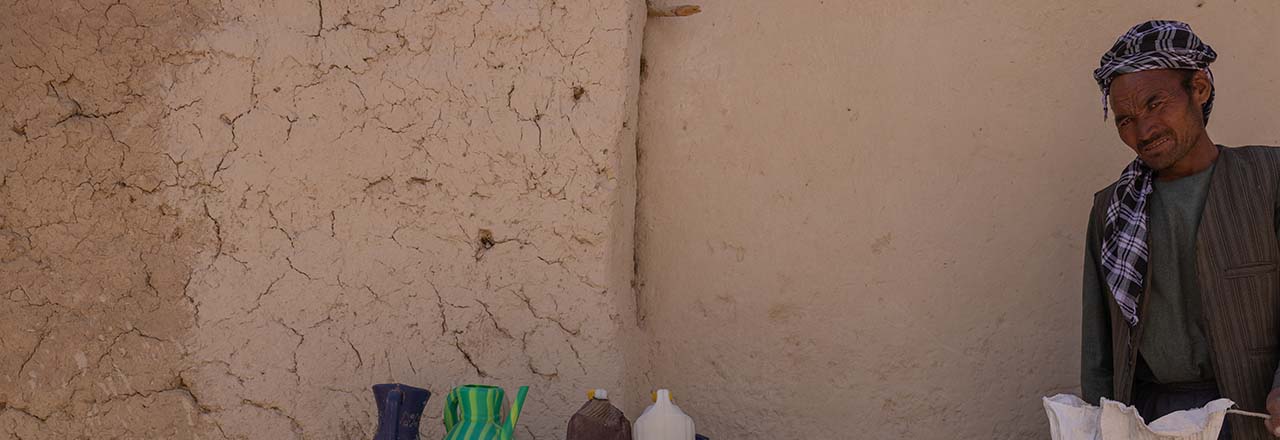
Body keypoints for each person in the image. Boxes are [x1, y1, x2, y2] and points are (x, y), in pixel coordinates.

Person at [1080, 20, 1280, 439]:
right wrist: (1097, 424)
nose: (1143, 130)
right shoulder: (1111, 209)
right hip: (1150, 419)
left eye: (1156, 104)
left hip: (1253, 414)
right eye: (1125, 120)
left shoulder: (1270, 177)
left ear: (1199, 89)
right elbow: (1100, 346)